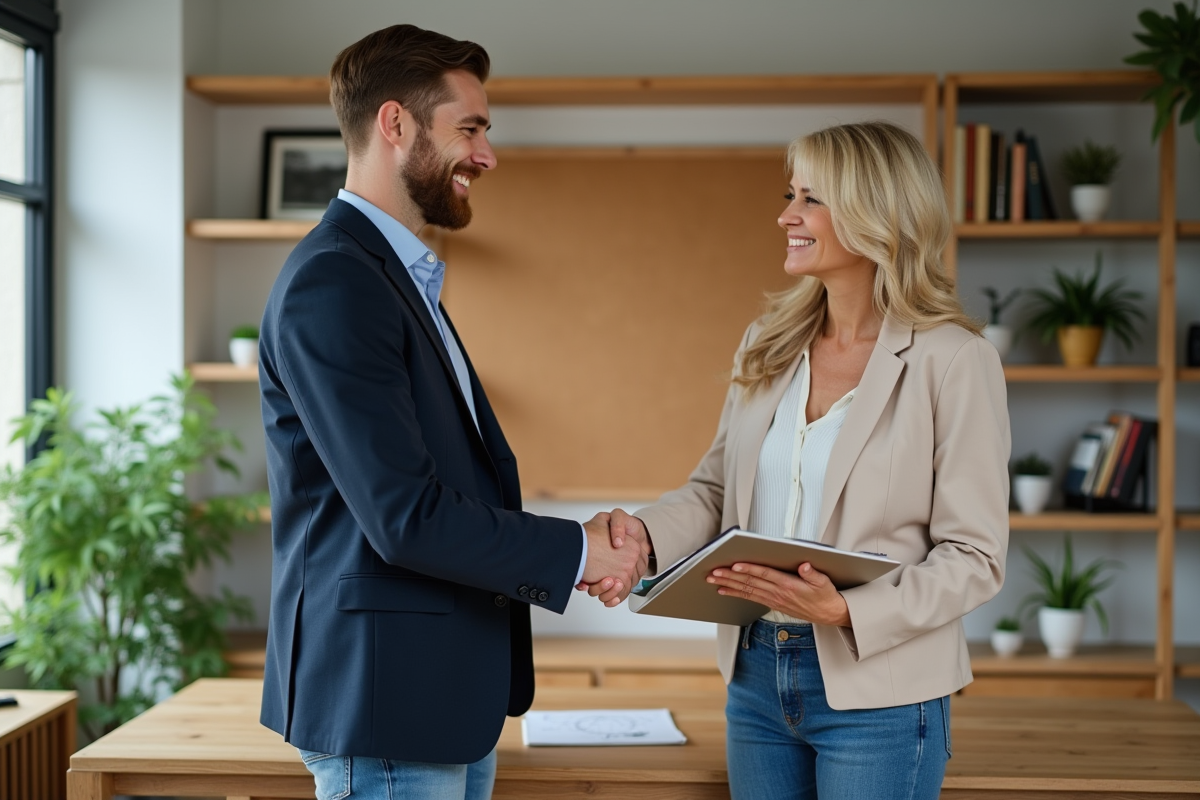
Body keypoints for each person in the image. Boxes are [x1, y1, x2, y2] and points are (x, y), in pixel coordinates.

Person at [257, 24, 647, 800]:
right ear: (394, 124)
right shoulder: (337, 282)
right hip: (387, 704)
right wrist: (578, 552)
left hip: (431, 697)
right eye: (468, 128)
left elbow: (446, 489)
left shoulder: (395, 278)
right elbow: (405, 514)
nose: (487, 154)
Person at [588, 121, 1010, 799]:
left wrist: (847, 612)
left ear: (875, 212)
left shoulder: (954, 361)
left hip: (882, 692)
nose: (787, 215)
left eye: (811, 199)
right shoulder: (770, 342)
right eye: (791, 195)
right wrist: (643, 539)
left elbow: (975, 556)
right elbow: (716, 488)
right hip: (756, 675)